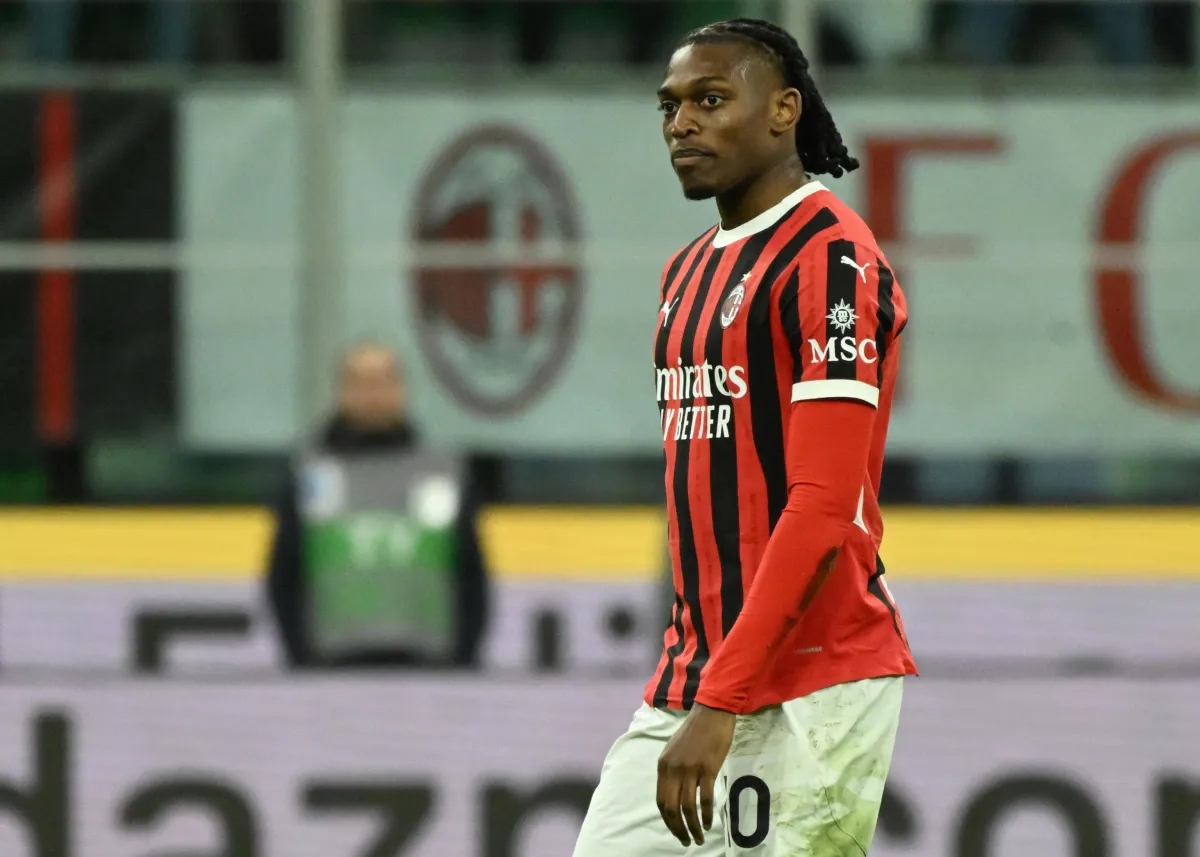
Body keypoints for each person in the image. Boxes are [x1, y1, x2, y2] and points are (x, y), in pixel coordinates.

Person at [572, 18, 917, 857]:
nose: (682, 123)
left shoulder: (833, 262)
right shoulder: (686, 271)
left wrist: (724, 697)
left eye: (711, 99)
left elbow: (824, 504)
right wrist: (708, 687)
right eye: (670, 106)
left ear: (783, 110)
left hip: (810, 682)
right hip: (693, 680)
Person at [265, 341, 488, 670]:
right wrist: (301, 659)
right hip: (332, 665)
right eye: (360, 382)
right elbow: (285, 575)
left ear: (402, 389)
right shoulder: (310, 473)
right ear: (342, 391)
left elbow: (470, 576)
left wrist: (463, 660)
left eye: (383, 381)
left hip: (428, 665)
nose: (373, 394)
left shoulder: (442, 473)